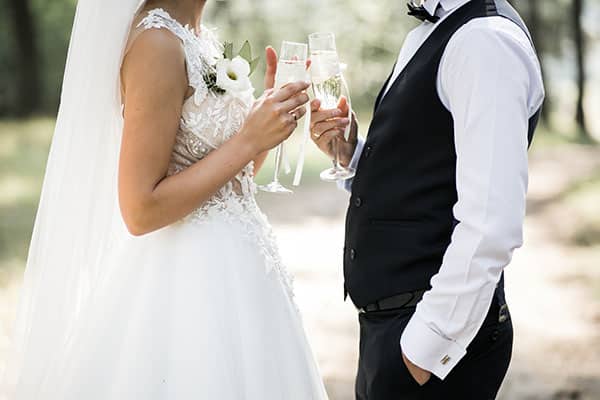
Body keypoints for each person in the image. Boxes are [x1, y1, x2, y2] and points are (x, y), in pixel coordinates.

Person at [1, 0, 328, 398]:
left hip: (244, 271)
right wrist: (247, 140)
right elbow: (139, 209)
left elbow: (226, 180)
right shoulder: (156, 43)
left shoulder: (199, 37)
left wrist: (266, 126)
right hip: (189, 287)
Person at [311, 0, 545, 398]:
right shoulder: (432, 33)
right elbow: (428, 171)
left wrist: (422, 351)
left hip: (427, 342)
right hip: (391, 334)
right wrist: (353, 154)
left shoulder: (484, 43)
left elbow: (491, 223)